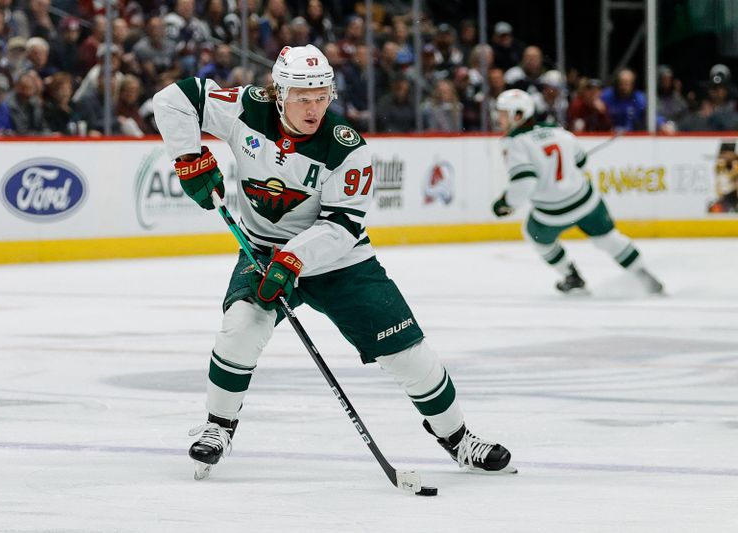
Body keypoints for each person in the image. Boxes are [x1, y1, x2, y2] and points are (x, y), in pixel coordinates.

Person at [153, 44, 515, 479]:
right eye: (303, 97)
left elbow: (342, 226)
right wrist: (188, 157)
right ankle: (218, 427)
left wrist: (293, 260)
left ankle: (459, 439)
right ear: (279, 93)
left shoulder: (347, 148)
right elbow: (174, 99)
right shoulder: (246, 108)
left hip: (339, 261)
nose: (314, 107)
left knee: (408, 354)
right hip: (263, 251)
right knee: (240, 328)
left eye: (322, 95)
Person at [491, 89, 663, 294]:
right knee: (609, 239)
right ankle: (644, 276)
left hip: (551, 213)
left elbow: (525, 181)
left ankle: (571, 276)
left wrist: (506, 204)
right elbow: (581, 161)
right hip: (587, 201)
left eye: (503, 113)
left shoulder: (513, 143)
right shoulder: (559, 131)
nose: (498, 117)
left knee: (534, 234)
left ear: (518, 115)